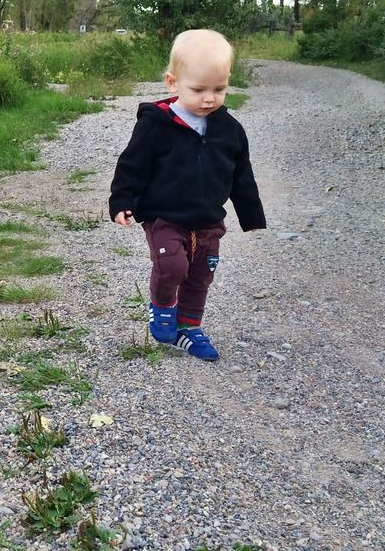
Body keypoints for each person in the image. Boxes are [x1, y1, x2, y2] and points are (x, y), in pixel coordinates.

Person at [108, 29, 266, 361]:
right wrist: (123, 200)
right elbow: (132, 165)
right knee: (173, 266)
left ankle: (189, 328)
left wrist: (251, 215)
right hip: (164, 216)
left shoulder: (230, 130)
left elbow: (241, 174)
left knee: (200, 276)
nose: (209, 98)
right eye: (198, 90)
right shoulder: (156, 124)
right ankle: (163, 306)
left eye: (219, 89)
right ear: (173, 82)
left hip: (208, 220)